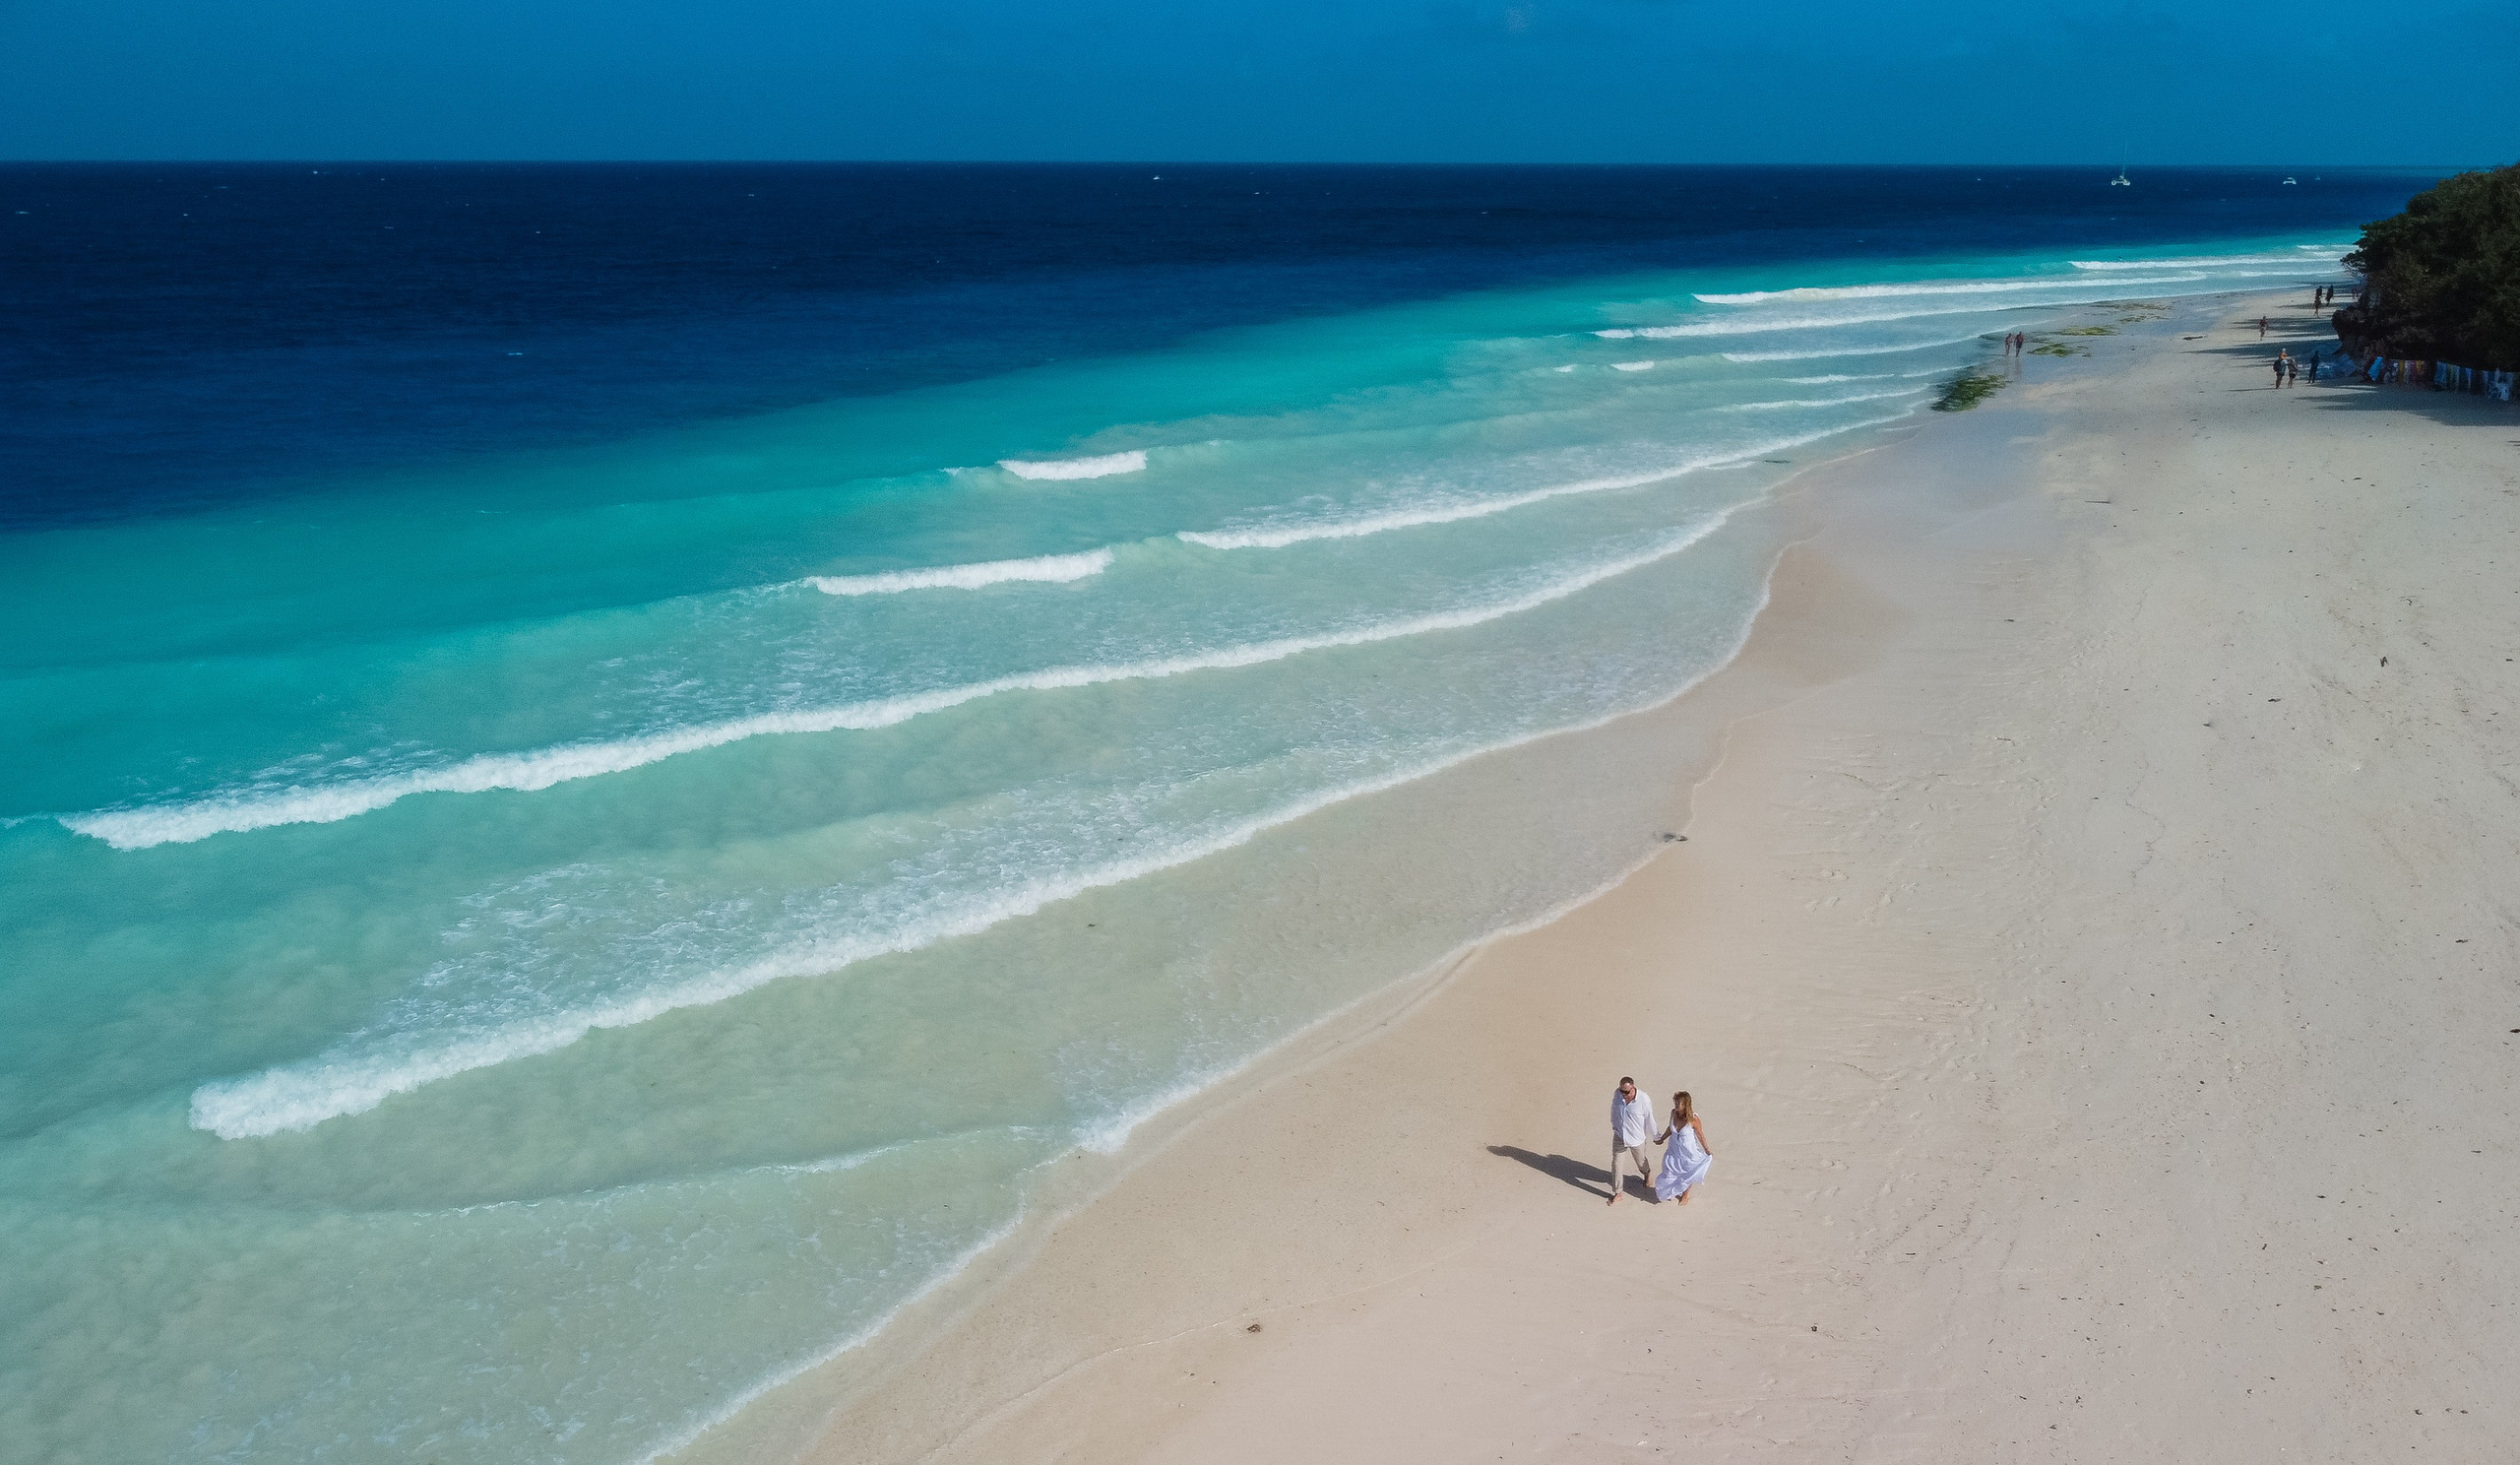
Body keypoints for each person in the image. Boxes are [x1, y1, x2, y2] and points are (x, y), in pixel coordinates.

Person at [1655, 1091, 1714, 1204]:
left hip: (1688, 1151)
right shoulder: (1673, 1113)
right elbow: (1670, 1128)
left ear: (1686, 1104)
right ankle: (1672, 1190)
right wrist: (1662, 1138)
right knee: (1668, 1171)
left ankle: (1685, 1194)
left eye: (1679, 1103)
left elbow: (1700, 1135)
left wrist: (1707, 1150)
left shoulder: (1693, 1118)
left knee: (1688, 1172)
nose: (1677, 1105)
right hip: (1673, 1149)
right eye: (1676, 1102)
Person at [1608, 1076, 1656, 1205]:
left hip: (1637, 1138)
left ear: (1633, 1088)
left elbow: (1649, 1118)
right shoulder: (1617, 1094)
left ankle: (1647, 1174)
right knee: (1616, 1164)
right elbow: (1614, 1108)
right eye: (1622, 1091)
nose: (1624, 1094)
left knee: (1641, 1163)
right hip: (1620, 1136)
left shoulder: (1643, 1099)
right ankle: (1618, 1192)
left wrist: (1656, 1136)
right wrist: (1613, 1123)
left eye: (1627, 1092)